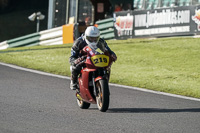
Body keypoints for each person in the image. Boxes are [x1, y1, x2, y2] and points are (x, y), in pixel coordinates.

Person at [69, 26, 117, 90]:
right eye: (91, 39)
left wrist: (112, 55)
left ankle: (104, 81)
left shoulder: (101, 41)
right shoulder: (79, 42)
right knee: (75, 67)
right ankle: (73, 81)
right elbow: (72, 57)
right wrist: (76, 60)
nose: (93, 41)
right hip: (83, 59)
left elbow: (108, 50)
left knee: (106, 67)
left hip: (94, 58)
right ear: (86, 37)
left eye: (95, 39)